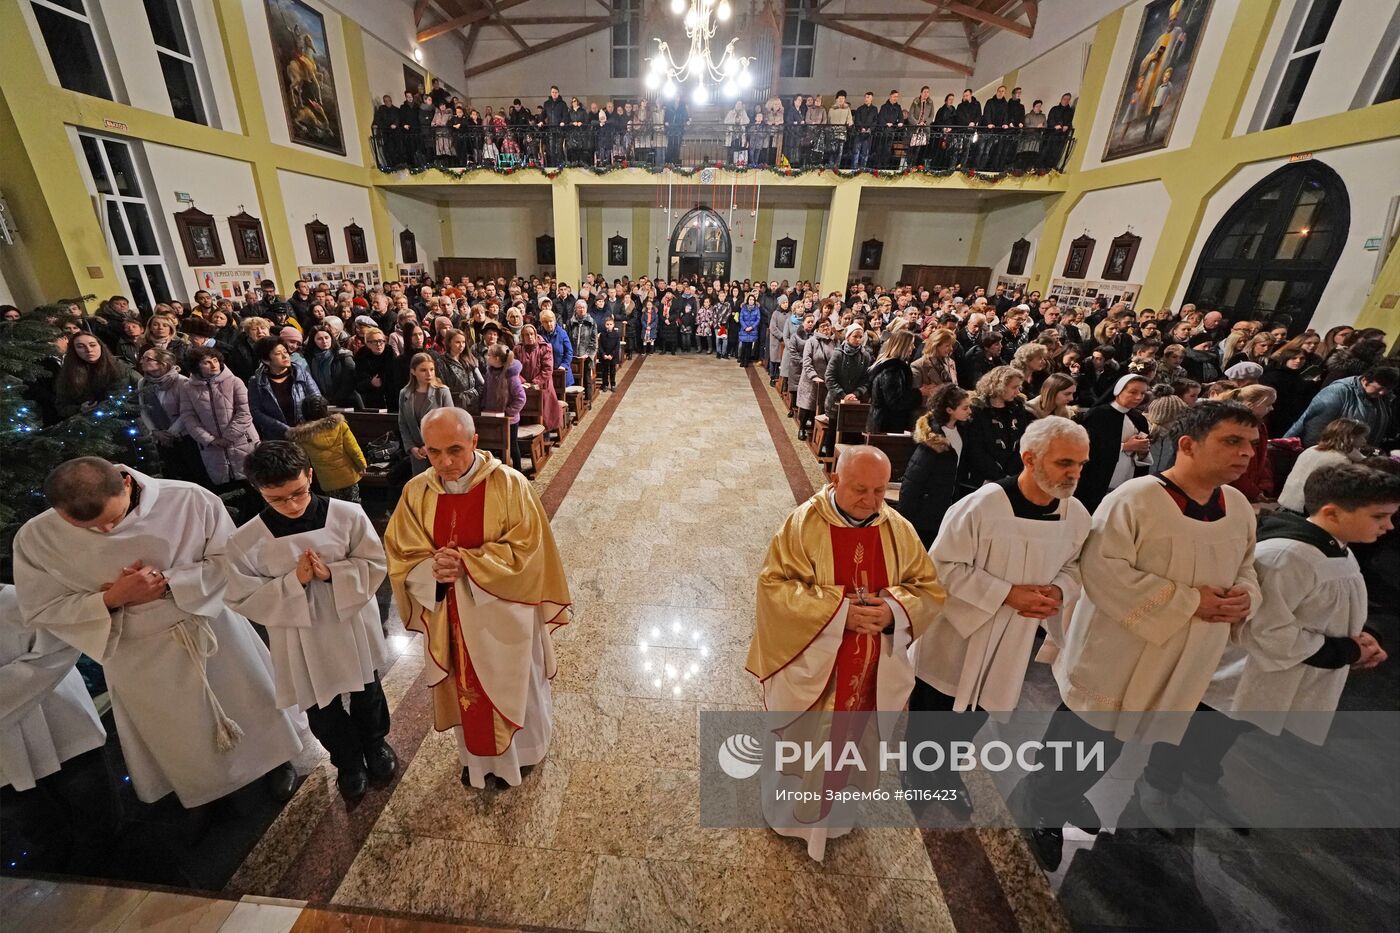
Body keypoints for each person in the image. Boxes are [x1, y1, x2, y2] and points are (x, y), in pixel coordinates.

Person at [1021, 402, 1264, 870]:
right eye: (1232, 441)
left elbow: (1247, 568)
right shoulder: (1135, 499)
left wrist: (1244, 597)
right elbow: (1102, 571)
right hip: (1119, 651)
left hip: (1183, 652)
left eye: (1251, 444)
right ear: (1189, 445)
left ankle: (1067, 793)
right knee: (1086, 735)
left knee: (1121, 739)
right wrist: (1192, 601)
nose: (1246, 454)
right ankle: (1042, 805)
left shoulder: (1236, 507)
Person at [12, 458, 302, 808]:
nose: (107, 532)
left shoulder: (188, 499)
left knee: (249, 701)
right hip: (133, 648)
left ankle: (274, 763)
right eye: (90, 527)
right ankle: (205, 791)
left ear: (127, 484)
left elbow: (235, 561)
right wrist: (111, 598)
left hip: (208, 627)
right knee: (177, 732)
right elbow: (41, 608)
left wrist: (169, 582)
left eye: (113, 519)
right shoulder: (36, 537)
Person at [747, 446, 944, 860]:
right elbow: (773, 588)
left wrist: (892, 611)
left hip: (871, 671)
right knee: (804, 747)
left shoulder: (898, 529)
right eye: (859, 489)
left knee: (850, 748)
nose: (871, 501)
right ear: (834, 479)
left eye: (878, 490)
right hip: (816, 668)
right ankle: (787, 816)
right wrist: (839, 613)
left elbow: (928, 589)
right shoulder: (802, 525)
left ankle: (836, 819)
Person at [908, 417, 1091, 812]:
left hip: (1014, 634)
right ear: (1030, 458)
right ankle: (918, 772)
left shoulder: (1075, 515)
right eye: (1064, 463)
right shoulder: (983, 506)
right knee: (936, 706)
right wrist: (1008, 594)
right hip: (960, 629)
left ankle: (947, 769)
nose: (1073, 474)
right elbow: (940, 567)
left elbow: (1077, 566)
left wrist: (1058, 590)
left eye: (1080, 464)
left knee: (980, 707)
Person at [384, 408, 571, 790]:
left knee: (516, 681)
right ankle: (477, 761)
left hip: (504, 616)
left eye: (454, 449)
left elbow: (529, 553)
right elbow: (401, 555)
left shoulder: (510, 485)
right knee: (466, 689)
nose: (445, 462)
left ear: (474, 442)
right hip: (450, 613)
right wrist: (430, 571)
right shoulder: (417, 492)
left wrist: (469, 564)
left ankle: (527, 752)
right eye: (434, 453)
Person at [225, 442, 395, 801]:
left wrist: (332, 572)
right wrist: (294, 582)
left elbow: (375, 562)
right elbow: (242, 596)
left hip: (349, 623)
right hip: (299, 635)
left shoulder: (348, 515)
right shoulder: (246, 540)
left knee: (367, 690)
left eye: (298, 492)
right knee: (322, 706)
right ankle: (347, 763)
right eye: (278, 499)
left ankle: (375, 745)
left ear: (311, 476)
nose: (292, 504)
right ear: (260, 491)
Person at [1230, 463, 1394, 744]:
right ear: (1332, 512)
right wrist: (1344, 650)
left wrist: (1364, 635)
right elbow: (1265, 629)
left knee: (1227, 735)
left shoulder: (1336, 546)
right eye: (1379, 516)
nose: (1389, 526)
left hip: (1283, 673)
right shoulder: (1288, 556)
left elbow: (1332, 606)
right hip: (1244, 676)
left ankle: (1199, 773)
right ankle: (1166, 781)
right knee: (1212, 733)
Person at [0, 583, 107, 794]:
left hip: (67, 731)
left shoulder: (16, 600)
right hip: (7, 763)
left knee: (100, 815)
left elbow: (64, 643)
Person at [897, 384, 971, 547]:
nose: (969, 411)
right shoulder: (932, 439)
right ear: (949, 410)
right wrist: (904, 520)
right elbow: (913, 481)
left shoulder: (963, 431)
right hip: (928, 513)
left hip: (948, 506)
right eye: (965, 408)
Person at [178, 346, 259, 488]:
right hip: (213, 448)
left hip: (242, 441)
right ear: (196, 367)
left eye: (215, 360)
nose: (213, 364)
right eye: (206, 362)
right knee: (227, 490)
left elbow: (245, 412)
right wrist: (209, 439)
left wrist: (228, 437)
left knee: (253, 483)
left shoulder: (235, 381)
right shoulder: (187, 388)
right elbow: (188, 417)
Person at [1074, 374, 1151, 512]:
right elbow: (1088, 448)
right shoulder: (1098, 415)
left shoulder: (1139, 419)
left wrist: (1142, 451)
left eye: (1142, 393)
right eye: (1133, 392)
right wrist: (1125, 446)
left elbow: (1142, 456)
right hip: (1097, 482)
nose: (1139, 397)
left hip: (1125, 481)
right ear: (1118, 391)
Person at [1285, 366, 1396, 447]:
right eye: (1379, 388)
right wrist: (1315, 452)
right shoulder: (1338, 391)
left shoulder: (1379, 398)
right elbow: (1314, 428)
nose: (1382, 393)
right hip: (1324, 452)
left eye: (1387, 389)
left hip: (1349, 453)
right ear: (1365, 380)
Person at [1275, 417, 1368, 513]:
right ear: (1350, 437)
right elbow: (1340, 494)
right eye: (1362, 437)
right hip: (1304, 512)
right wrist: (1363, 461)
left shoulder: (1311, 449)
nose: (1364, 441)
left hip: (1285, 505)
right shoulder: (1339, 459)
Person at [961, 365, 1032, 490]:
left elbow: (1023, 440)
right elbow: (976, 449)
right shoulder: (977, 410)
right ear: (999, 386)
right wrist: (998, 475)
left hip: (1013, 474)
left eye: (1019, 387)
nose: (1018, 392)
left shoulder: (1017, 407)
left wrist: (1011, 473)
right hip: (984, 478)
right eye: (1014, 387)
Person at [288, 396, 366, 501]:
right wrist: (362, 464)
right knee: (353, 505)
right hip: (349, 475)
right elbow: (353, 448)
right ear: (325, 409)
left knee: (336, 506)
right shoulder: (339, 425)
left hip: (328, 481)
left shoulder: (303, 436)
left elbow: (302, 460)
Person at [249, 336, 321, 440]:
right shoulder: (256, 381)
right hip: (276, 438)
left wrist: (304, 426)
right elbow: (256, 411)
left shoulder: (301, 373)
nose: (285, 356)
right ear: (266, 360)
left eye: (285, 352)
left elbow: (316, 400)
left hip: (305, 434)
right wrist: (285, 429)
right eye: (278, 354)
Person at [55, 332, 136, 419]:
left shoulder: (120, 367)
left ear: (100, 346)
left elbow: (127, 398)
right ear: (74, 351)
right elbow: (62, 406)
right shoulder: (68, 373)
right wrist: (79, 409)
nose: (89, 350)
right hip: (87, 424)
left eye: (93, 345)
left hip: (122, 420)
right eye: (80, 346)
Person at [399, 352, 454, 476]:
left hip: (440, 451)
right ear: (413, 371)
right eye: (423, 370)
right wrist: (411, 447)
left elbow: (449, 423)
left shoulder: (442, 392)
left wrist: (429, 446)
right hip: (418, 454)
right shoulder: (405, 393)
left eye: (431, 369)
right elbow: (403, 424)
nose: (429, 374)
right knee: (421, 489)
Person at [866, 329, 928, 434]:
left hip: (885, 422)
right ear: (902, 346)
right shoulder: (893, 369)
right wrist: (919, 393)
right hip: (888, 425)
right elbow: (895, 401)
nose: (913, 347)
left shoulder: (892, 366)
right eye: (911, 344)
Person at [483, 344, 527, 471]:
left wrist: (508, 412)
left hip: (509, 419)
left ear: (497, 358)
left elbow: (521, 398)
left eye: (489, 355)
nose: (487, 357)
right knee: (493, 446)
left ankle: (518, 472)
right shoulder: (490, 372)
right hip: (492, 416)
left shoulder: (511, 376)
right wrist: (483, 405)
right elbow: (486, 391)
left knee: (512, 445)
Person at [796, 317, 835, 441]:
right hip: (810, 380)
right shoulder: (811, 341)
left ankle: (816, 433)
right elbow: (807, 361)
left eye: (828, 325)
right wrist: (814, 376)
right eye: (823, 326)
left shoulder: (834, 342)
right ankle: (801, 428)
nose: (825, 328)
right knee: (807, 405)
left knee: (820, 407)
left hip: (826, 381)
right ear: (817, 328)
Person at [305, 325, 360, 408]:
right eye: (319, 339)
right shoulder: (310, 358)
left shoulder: (343, 355)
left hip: (346, 402)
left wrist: (335, 400)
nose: (324, 341)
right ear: (314, 341)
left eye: (327, 337)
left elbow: (349, 381)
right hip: (321, 403)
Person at [354, 328, 399, 411]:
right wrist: (370, 383)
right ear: (367, 343)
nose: (379, 344)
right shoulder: (361, 356)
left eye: (381, 341)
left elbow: (395, 376)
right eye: (375, 341)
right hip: (370, 398)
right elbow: (358, 381)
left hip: (391, 397)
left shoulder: (389, 352)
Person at [567, 301, 598, 402]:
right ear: (576, 309)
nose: (581, 310)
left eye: (583, 307)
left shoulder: (591, 322)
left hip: (586, 356)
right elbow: (567, 339)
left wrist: (587, 354)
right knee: (573, 378)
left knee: (586, 378)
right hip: (573, 356)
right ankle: (574, 401)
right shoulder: (570, 322)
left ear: (586, 309)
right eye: (579, 307)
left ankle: (588, 400)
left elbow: (594, 342)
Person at [597, 315, 621, 391]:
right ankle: (605, 384)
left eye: (611, 324)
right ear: (605, 325)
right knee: (604, 370)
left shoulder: (616, 334)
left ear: (613, 325)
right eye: (607, 324)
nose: (609, 326)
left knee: (612, 371)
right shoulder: (602, 334)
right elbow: (600, 345)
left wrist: (612, 355)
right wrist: (603, 354)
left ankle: (613, 384)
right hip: (604, 355)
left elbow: (617, 346)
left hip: (612, 356)